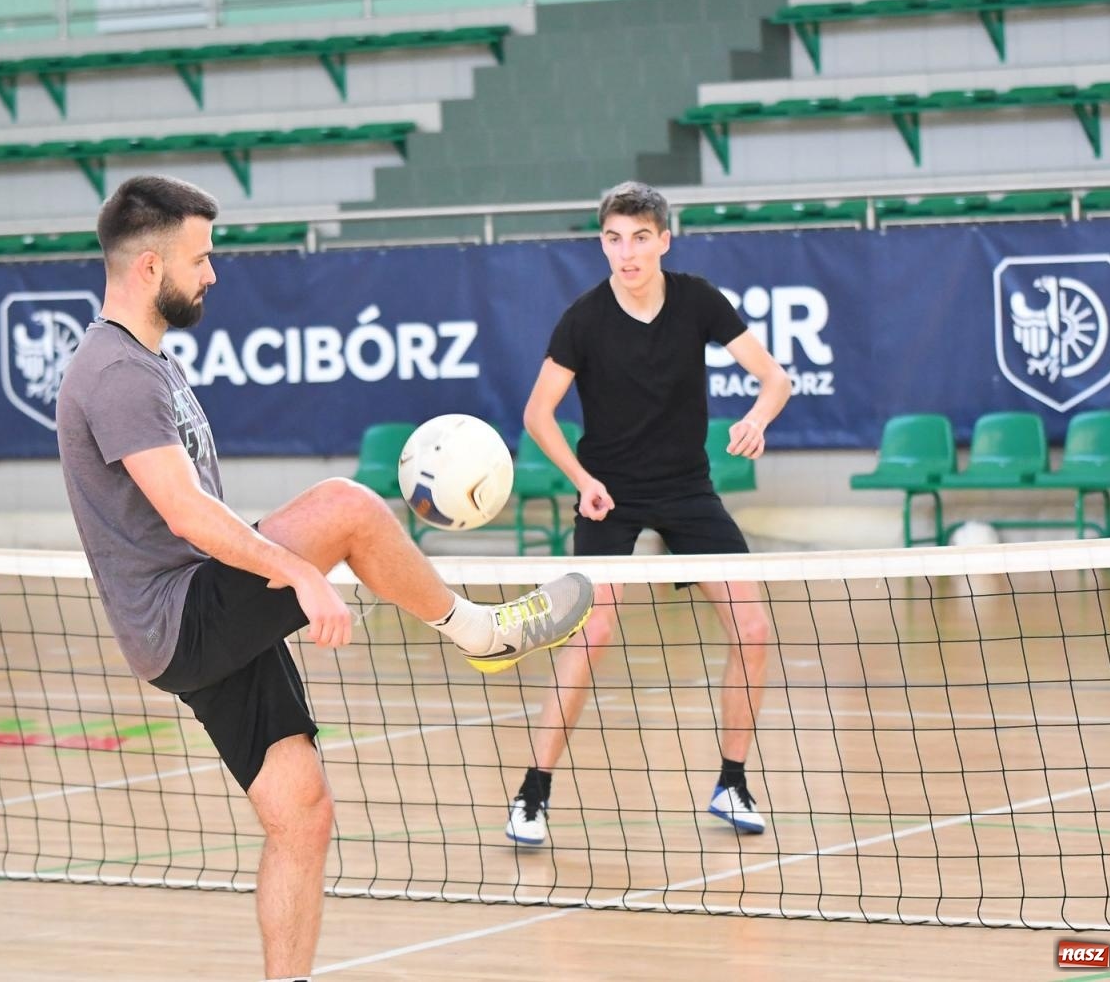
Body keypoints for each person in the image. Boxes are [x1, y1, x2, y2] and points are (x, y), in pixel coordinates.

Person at [56, 174, 594, 982]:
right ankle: (483, 634)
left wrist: (278, 562)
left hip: (199, 613)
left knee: (302, 815)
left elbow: (196, 515)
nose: (212, 275)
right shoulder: (116, 374)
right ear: (147, 269)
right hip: (183, 616)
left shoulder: (146, 363)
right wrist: (298, 575)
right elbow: (184, 514)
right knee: (347, 505)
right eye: (200, 259)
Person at [505, 180, 791, 847]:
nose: (626, 253)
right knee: (592, 634)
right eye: (613, 239)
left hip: (688, 487)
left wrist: (756, 417)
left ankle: (732, 781)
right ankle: (533, 793)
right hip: (610, 490)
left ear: (664, 239)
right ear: (602, 243)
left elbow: (774, 378)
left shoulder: (696, 300)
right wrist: (582, 479)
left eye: (639, 238)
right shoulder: (584, 317)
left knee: (752, 629)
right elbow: (537, 414)